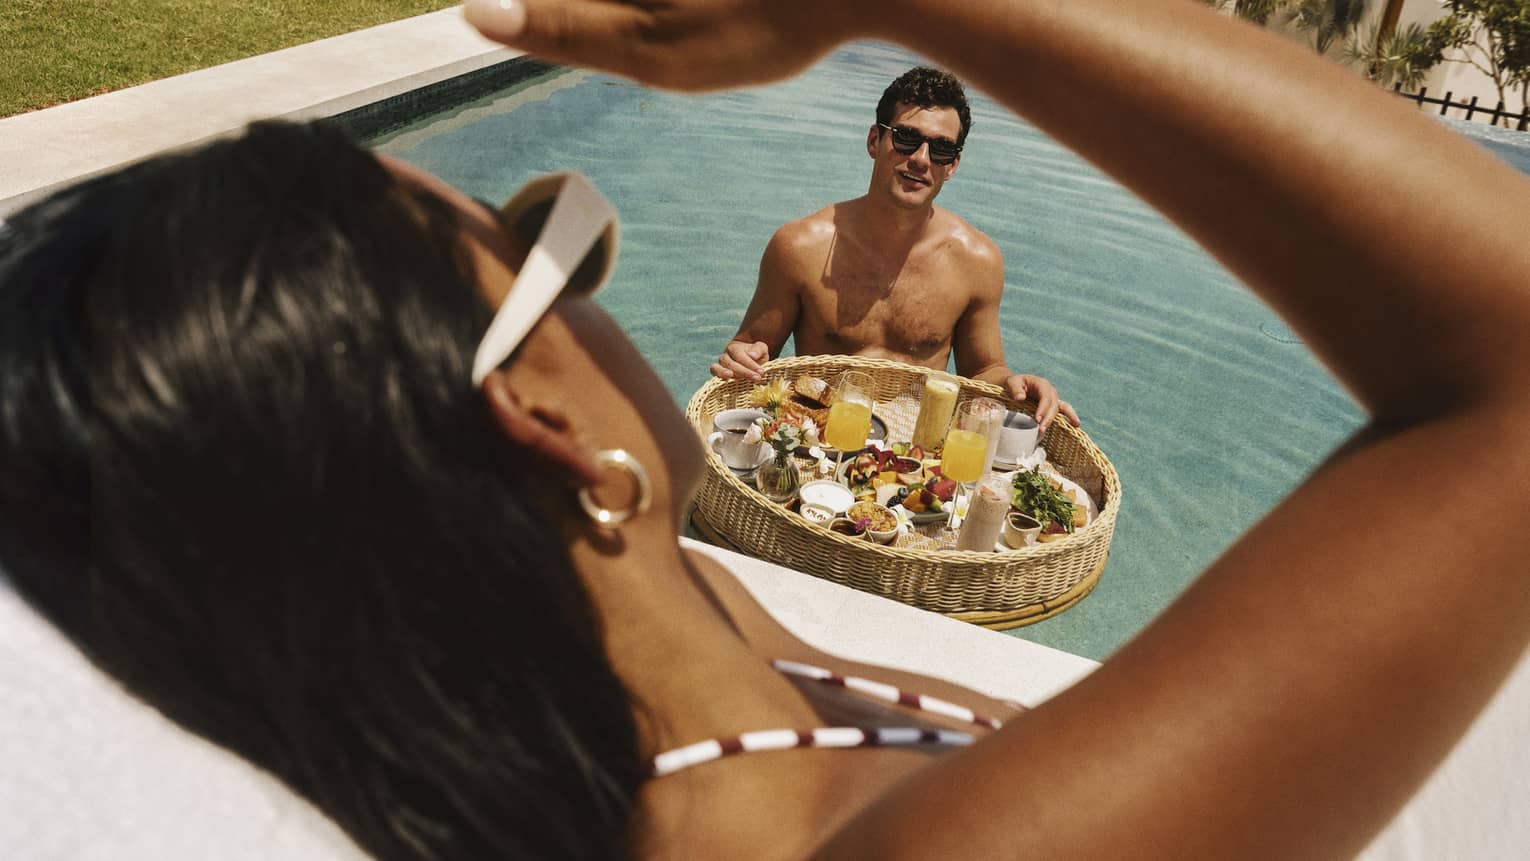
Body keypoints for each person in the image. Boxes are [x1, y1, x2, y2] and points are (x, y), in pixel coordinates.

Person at [0, 0, 1525, 858]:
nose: (600, 286)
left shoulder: (648, 670)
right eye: (559, 241)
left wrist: (1008, 397)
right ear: (550, 436)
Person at [709, 66, 1080, 434]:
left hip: (915, 457)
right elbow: (753, 351)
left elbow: (983, 373)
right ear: (875, 141)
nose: (920, 159)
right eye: (905, 138)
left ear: (953, 165)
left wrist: (1020, 387)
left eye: (941, 149)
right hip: (815, 441)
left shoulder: (977, 261)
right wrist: (741, 357)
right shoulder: (801, 247)